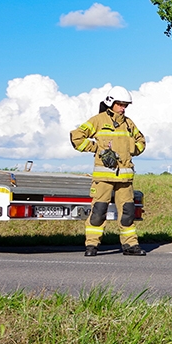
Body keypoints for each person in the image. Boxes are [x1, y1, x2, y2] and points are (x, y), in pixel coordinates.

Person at [70, 86, 147, 257]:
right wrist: (96, 148)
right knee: (98, 211)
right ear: (111, 103)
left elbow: (141, 141)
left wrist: (131, 149)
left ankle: (130, 245)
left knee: (127, 213)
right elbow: (76, 137)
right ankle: (91, 245)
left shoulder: (128, 123)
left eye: (125, 105)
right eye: (120, 104)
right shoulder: (98, 120)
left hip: (125, 179)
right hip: (103, 178)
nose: (123, 108)